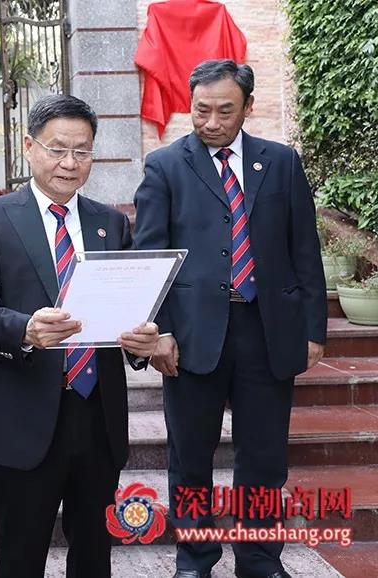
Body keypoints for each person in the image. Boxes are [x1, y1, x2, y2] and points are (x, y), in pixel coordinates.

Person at [133, 59, 327, 578]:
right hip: (193, 335)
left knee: (263, 458)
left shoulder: (281, 162)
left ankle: (259, 559)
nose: (212, 122)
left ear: (247, 107)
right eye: (201, 110)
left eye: (225, 110)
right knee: (190, 458)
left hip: (268, 330)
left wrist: (313, 328)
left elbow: (304, 250)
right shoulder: (165, 166)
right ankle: (195, 558)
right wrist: (160, 331)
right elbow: (149, 254)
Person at [0, 94, 159, 578]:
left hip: (97, 417)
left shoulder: (110, 223)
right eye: (57, 149)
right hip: (24, 416)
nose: (69, 163)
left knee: (94, 554)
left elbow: (127, 305)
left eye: (82, 151)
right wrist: (24, 329)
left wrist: (142, 341)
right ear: (29, 147)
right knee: (21, 555)